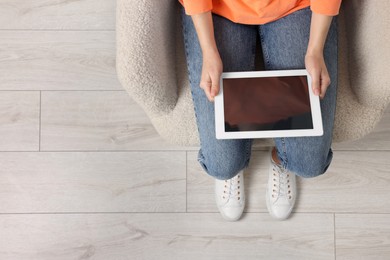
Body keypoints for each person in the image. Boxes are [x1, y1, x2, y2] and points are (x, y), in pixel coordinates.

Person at [179, 0, 341, 221]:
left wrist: (315, 49)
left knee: (309, 164)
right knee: (222, 165)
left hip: (295, 6)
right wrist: (208, 50)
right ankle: (234, 165)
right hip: (219, 7)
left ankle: (281, 158)